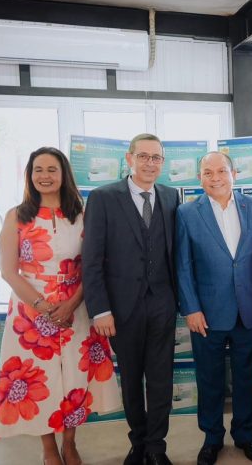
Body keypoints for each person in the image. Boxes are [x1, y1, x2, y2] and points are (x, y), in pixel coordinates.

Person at [0, 147, 121, 465]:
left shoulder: (82, 214)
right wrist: (44, 308)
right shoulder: (16, 216)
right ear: (30, 175)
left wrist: (72, 303)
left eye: (52, 169)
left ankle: (70, 442)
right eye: (38, 169)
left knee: (74, 378)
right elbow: (9, 271)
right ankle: (48, 447)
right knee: (41, 380)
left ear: (64, 175)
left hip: (77, 307)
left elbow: (94, 264)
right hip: (30, 314)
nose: (45, 176)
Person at [82, 133, 180, 465]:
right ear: (129, 159)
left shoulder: (171, 196)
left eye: (156, 157)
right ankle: (138, 442)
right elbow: (92, 259)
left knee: (161, 380)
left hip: (162, 303)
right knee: (132, 379)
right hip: (122, 308)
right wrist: (100, 310)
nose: (150, 163)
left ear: (162, 162)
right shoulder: (103, 198)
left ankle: (156, 447)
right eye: (143, 156)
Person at [175, 152, 252, 465]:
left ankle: (245, 434)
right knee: (209, 379)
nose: (215, 178)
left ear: (234, 174)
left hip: (248, 310)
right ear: (199, 177)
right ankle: (212, 438)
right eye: (208, 172)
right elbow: (183, 265)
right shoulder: (187, 212)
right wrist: (191, 308)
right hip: (206, 313)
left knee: (246, 378)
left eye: (221, 171)